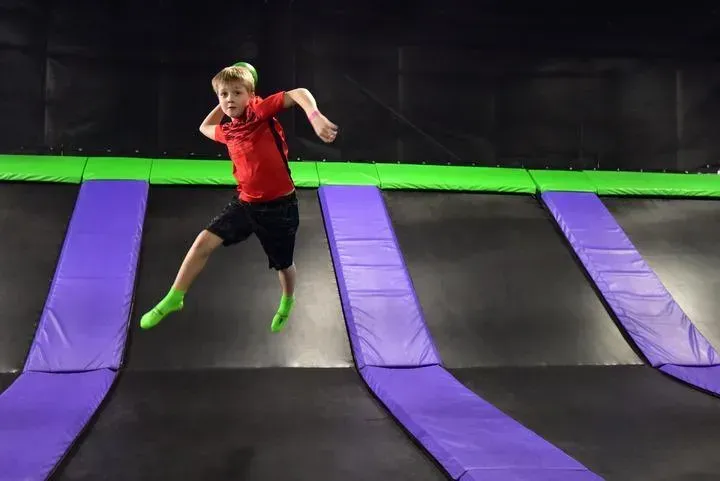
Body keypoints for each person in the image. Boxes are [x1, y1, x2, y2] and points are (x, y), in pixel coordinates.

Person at [139, 63, 338, 332]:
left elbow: (299, 92)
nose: (230, 99)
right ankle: (175, 297)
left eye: (237, 93)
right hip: (246, 204)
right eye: (223, 95)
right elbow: (204, 127)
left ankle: (288, 299)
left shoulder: (259, 111)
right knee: (202, 243)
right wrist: (225, 101)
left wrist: (314, 116)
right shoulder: (227, 131)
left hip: (280, 207)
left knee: (284, 265)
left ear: (251, 95)